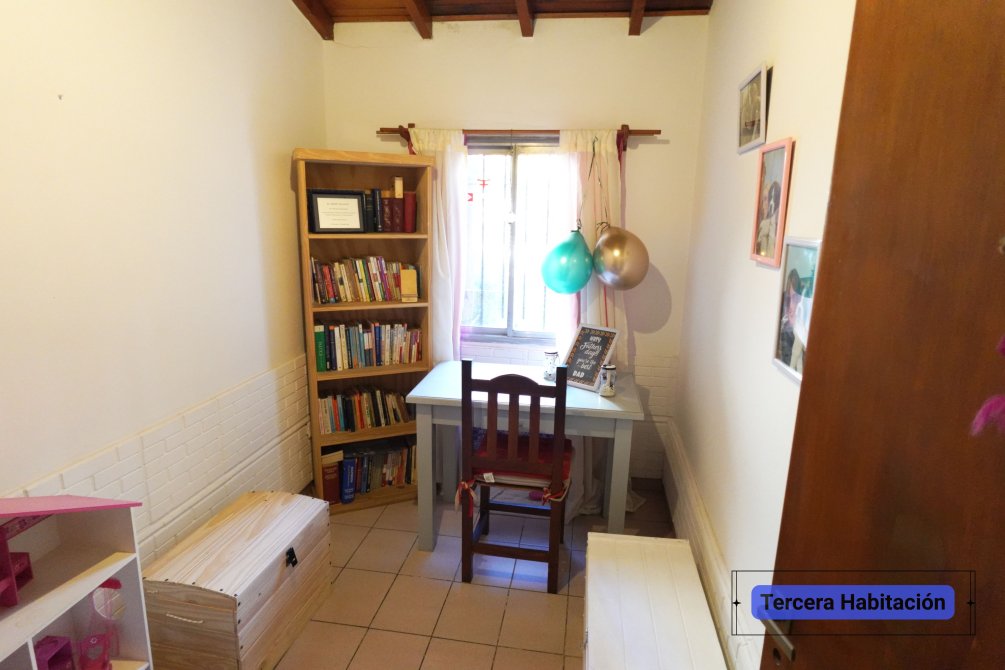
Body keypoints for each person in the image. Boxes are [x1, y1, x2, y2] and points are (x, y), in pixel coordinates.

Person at [778, 268, 802, 365]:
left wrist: (795, 317)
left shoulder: (800, 299)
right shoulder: (784, 297)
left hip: (796, 333)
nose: (791, 300)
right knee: (786, 360)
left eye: (794, 296)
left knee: (796, 361)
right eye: (790, 296)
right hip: (785, 333)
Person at [756, 180, 781, 258]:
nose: (768, 203)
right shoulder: (761, 223)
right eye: (764, 199)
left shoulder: (772, 224)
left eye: (768, 199)